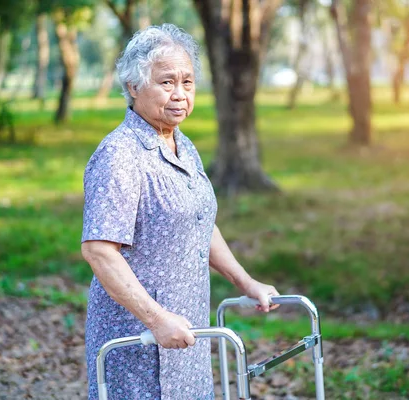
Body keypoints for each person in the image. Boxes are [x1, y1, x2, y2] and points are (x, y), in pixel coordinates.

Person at [80, 24, 279, 400]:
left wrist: (245, 282)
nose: (180, 94)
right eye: (167, 82)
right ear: (134, 86)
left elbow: (200, 223)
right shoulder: (119, 155)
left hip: (186, 335)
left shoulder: (182, 144)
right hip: (136, 340)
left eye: (187, 83)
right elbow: (99, 251)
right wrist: (157, 320)